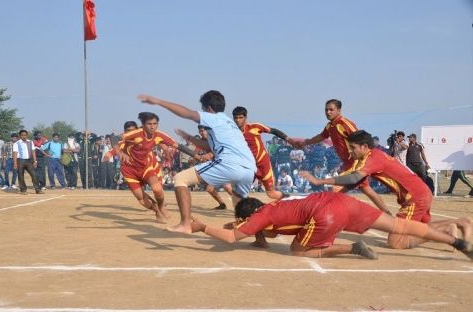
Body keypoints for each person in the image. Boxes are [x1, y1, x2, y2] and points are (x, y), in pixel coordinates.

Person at [300, 130, 471, 249]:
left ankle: (451, 226)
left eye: (353, 148)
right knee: (418, 230)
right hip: (419, 193)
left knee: (396, 242)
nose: (350, 152)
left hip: (415, 197)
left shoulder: (372, 158)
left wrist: (319, 180)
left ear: (364, 147)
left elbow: (351, 179)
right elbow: (368, 192)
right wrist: (386, 212)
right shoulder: (368, 160)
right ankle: (452, 226)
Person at [190, 192, 473, 260]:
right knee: (400, 225)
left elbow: (231, 237)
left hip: (324, 216)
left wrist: (202, 227)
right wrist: (241, 222)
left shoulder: (261, 220)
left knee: (298, 251)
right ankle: (457, 242)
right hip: (341, 201)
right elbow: (257, 231)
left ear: (248, 217)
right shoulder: (273, 204)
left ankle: (352, 247)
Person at [138, 91, 257, 233]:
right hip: (249, 168)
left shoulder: (213, 117)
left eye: (203, 108)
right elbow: (209, 147)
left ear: (209, 108)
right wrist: (189, 137)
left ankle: (185, 223)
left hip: (229, 164)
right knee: (240, 200)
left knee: (180, 179)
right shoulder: (228, 123)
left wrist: (158, 101)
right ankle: (256, 235)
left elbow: (187, 113)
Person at [292, 99, 390, 215]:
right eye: (326, 110)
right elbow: (321, 136)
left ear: (339, 110)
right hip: (348, 163)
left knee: (336, 190)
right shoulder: (330, 126)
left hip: (355, 163)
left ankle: (328, 217)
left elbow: (361, 139)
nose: (328, 112)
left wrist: (365, 159)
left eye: (331, 109)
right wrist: (306, 142)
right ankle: (388, 215)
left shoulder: (345, 124)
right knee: (367, 189)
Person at [109, 115, 198, 223]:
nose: (152, 127)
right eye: (149, 124)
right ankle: (157, 210)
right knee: (142, 200)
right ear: (143, 125)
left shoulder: (159, 135)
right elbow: (113, 138)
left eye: (154, 124)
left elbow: (178, 146)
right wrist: (119, 153)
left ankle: (161, 207)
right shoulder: (135, 134)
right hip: (129, 170)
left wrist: (198, 156)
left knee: (157, 189)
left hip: (145, 167)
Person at [232, 106, 295, 199]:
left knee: (271, 193)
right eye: (236, 118)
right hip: (249, 166)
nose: (238, 120)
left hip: (263, 164)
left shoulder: (254, 127)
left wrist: (289, 140)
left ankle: (291, 199)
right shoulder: (232, 132)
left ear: (245, 118)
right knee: (238, 192)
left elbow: (274, 131)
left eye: (240, 117)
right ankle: (244, 212)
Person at [195, 125, 233, 210]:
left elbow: (220, 151)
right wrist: (193, 157)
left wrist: (209, 155)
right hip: (214, 167)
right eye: (200, 131)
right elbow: (196, 153)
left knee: (227, 187)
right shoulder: (201, 142)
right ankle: (222, 205)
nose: (202, 133)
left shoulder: (215, 139)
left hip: (223, 165)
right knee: (209, 188)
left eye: (203, 130)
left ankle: (244, 203)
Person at [12, 130, 43, 195]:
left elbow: (33, 151)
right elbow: (15, 153)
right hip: (20, 161)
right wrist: (15, 163)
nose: (24, 136)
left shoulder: (30, 142)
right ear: (20, 136)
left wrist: (35, 161)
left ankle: (38, 189)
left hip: (29, 161)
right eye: (22, 135)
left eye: (25, 135)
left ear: (27, 135)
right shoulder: (16, 143)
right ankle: (23, 190)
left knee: (34, 174)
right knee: (21, 175)